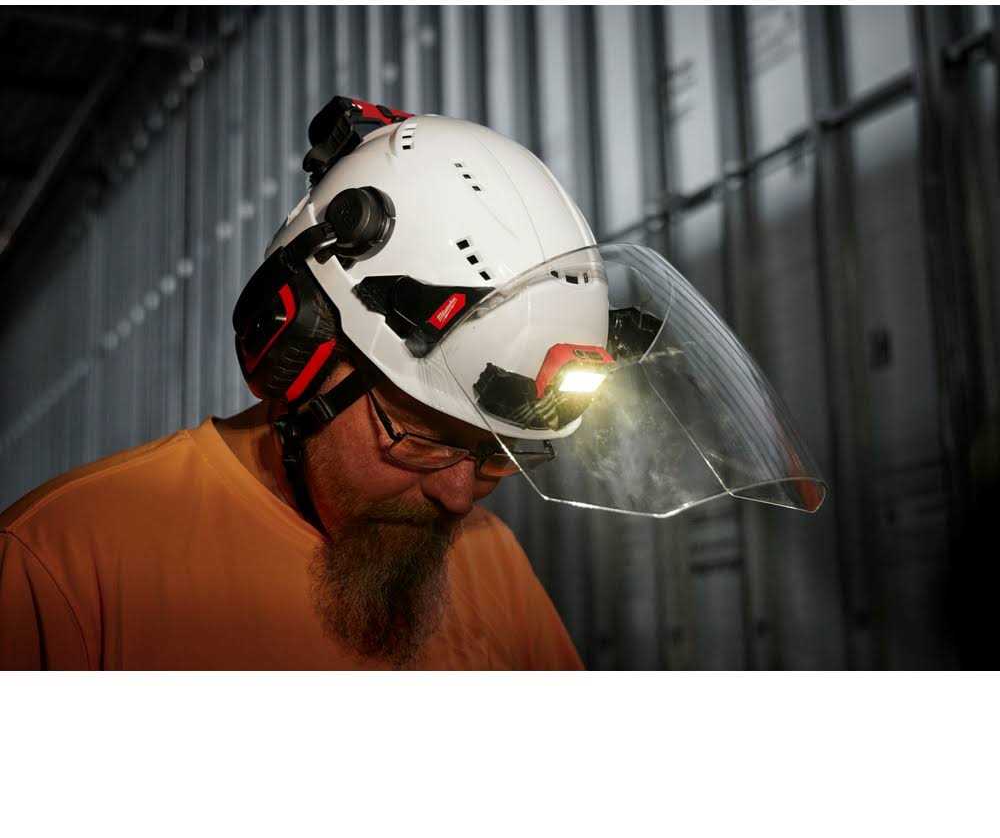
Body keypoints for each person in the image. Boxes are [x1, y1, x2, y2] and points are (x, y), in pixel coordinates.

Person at [1, 96, 827, 671]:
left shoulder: (491, 566)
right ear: (298, 350)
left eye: (500, 455)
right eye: (426, 437)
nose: (461, 497)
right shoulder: (65, 567)